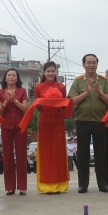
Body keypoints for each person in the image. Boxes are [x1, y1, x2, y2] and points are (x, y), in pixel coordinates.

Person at [68, 54, 108, 193]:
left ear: (97, 65)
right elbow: (72, 102)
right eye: (88, 63)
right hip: (82, 121)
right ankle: (83, 184)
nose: (91, 65)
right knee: (83, 154)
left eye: (94, 62)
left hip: (100, 121)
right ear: (83, 65)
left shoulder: (104, 81)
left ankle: (102, 183)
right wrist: (86, 92)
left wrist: (100, 92)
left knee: (101, 153)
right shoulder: (78, 81)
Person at [34, 61, 69, 194]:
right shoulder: (38, 87)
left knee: (58, 152)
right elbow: (38, 107)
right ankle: (46, 185)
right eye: (48, 71)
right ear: (44, 73)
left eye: (52, 71)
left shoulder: (61, 86)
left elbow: (64, 104)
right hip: (44, 121)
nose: (50, 73)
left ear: (56, 72)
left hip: (58, 121)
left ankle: (59, 184)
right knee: (46, 153)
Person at [0, 68, 29, 195]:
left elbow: (26, 109)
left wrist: (15, 100)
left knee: (21, 155)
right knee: (7, 156)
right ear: (5, 78)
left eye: (13, 75)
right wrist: (6, 101)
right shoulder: (0, 92)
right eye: (9, 75)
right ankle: (10, 186)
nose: (11, 77)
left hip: (20, 126)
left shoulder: (23, 91)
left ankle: (22, 187)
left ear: (17, 78)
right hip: (6, 126)